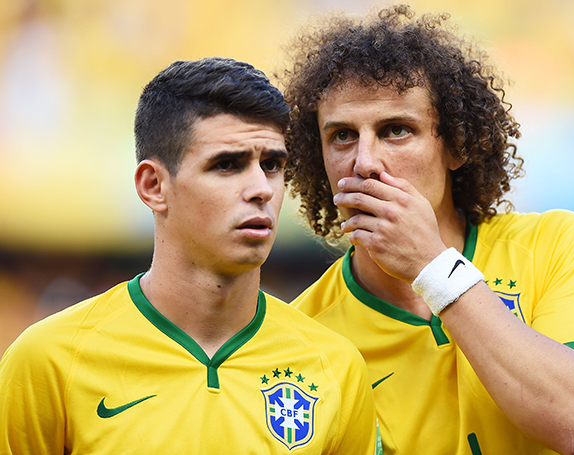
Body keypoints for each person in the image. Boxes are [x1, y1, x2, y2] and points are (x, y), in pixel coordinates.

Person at [280, 5, 574, 455]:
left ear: (456, 146)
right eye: (342, 136)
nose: (364, 161)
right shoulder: (300, 334)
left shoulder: (554, 244)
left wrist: (433, 267)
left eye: (395, 130)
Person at [0, 57, 379, 454]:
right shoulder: (49, 362)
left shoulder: (334, 367)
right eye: (227, 165)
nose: (261, 189)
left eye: (271, 165)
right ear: (154, 186)